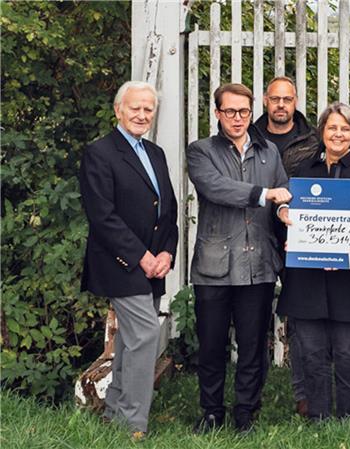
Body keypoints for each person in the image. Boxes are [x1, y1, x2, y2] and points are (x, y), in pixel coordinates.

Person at [187, 83, 291, 435]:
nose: (237, 118)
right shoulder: (201, 151)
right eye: (229, 111)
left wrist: (284, 211)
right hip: (214, 266)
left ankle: (246, 411)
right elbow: (215, 188)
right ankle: (212, 411)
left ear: (251, 111)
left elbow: (282, 194)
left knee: (253, 346)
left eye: (243, 111)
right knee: (212, 345)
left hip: (258, 264)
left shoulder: (269, 152)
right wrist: (265, 194)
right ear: (217, 113)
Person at [79, 81, 178, 441]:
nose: (142, 114)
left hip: (154, 264)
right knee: (145, 334)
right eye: (135, 107)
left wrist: (167, 251)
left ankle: (116, 410)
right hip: (120, 263)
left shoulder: (155, 153)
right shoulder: (99, 153)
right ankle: (134, 424)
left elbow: (168, 208)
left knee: (130, 340)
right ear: (118, 110)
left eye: (148, 109)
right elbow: (102, 216)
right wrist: (142, 257)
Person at [275, 102, 350, 421]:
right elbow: (283, 211)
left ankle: (349, 415)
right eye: (332, 127)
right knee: (311, 349)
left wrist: (348, 254)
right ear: (322, 131)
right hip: (308, 278)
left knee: (348, 350)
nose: (338, 134)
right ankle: (318, 414)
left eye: (344, 129)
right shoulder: (302, 172)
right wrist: (285, 220)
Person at [250, 76, 320, 417]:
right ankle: (251, 397)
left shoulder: (313, 140)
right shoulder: (248, 136)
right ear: (266, 100)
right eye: (275, 98)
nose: (281, 105)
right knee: (254, 320)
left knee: (301, 321)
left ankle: (304, 395)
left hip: (299, 237)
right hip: (256, 235)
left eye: (287, 99)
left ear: (295, 102)